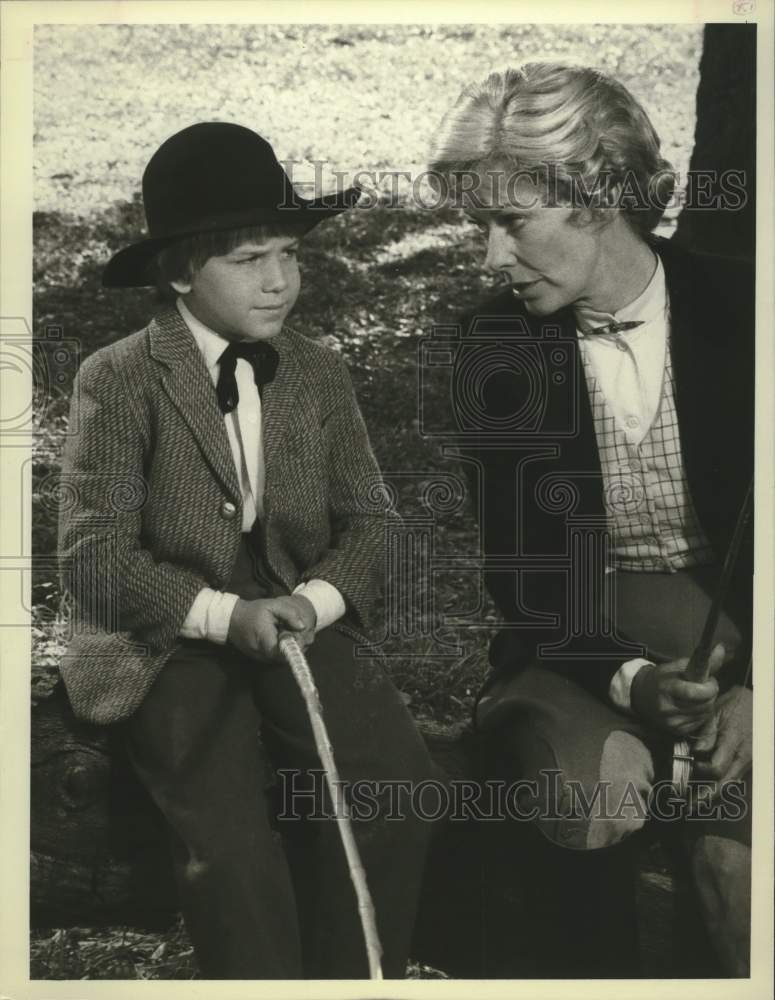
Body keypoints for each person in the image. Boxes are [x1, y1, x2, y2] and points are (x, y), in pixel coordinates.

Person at [57, 122, 434, 979]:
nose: (278, 280)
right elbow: (91, 553)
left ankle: (354, 975)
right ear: (182, 269)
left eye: (288, 255)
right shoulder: (116, 379)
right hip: (167, 634)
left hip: (293, 614)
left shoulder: (317, 373)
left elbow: (372, 521)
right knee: (229, 845)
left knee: (394, 790)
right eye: (249, 259)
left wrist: (315, 602)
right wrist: (224, 617)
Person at [428, 63, 753, 976]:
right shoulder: (496, 347)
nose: (490, 258)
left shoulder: (747, 310)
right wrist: (635, 683)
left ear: (599, 196)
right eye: (476, 226)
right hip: (583, 646)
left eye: (511, 223)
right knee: (584, 800)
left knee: (739, 876)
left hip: (747, 650)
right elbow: (527, 582)